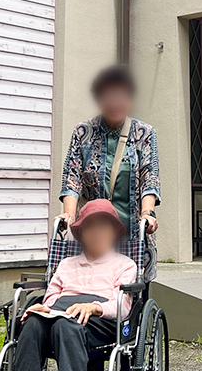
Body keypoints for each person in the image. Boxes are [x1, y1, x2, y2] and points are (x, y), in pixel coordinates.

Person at [7, 199, 138, 371]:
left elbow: (124, 306)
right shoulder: (66, 264)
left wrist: (94, 307)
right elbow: (52, 296)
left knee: (67, 325)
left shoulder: (124, 265)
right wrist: (43, 308)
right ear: (81, 234)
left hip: (98, 320)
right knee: (32, 324)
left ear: (114, 232)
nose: (97, 232)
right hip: (59, 314)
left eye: (104, 226)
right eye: (90, 227)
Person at [58, 65, 160, 279]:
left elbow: (149, 177)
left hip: (132, 234)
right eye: (108, 95)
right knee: (89, 285)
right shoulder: (83, 132)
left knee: (131, 289)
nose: (115, 102)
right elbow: (72, 178)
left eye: (121, 95)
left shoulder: (144, 133)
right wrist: (69, 214)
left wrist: (147, 213)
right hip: (93, 235)